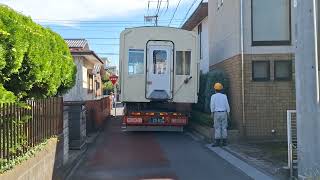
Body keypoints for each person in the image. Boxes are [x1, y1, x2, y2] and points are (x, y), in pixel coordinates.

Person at [210, 82, 230, 147]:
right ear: (221, 89)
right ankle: (224, 142)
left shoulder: (213, 96)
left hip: (216, 113)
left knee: (217, 127)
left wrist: (212, 113)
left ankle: (217, 142)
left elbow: (212, 105)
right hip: (224, 113)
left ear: (215, 89)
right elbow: (227, 105)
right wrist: (228, 112)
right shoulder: (224, 96)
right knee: (224, 127)